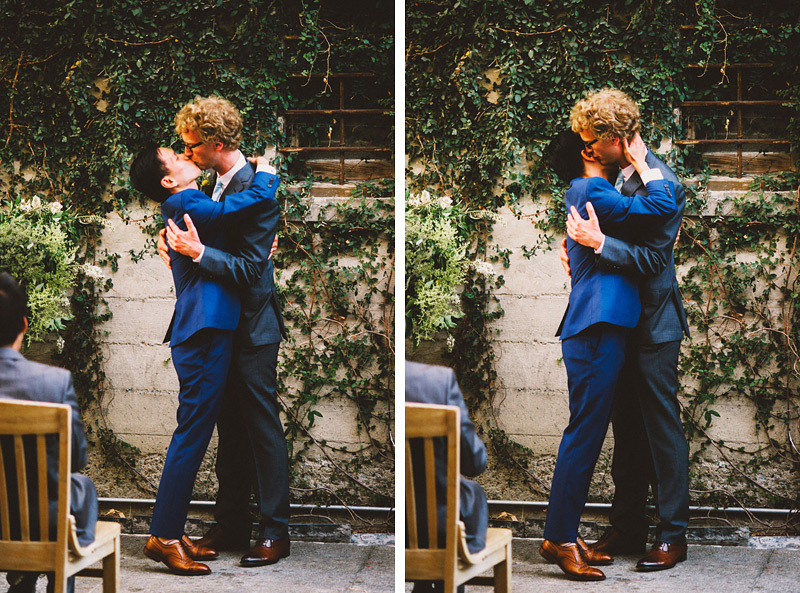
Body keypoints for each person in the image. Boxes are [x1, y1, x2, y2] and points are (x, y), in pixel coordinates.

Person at [129, 144, 279, 575]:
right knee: (192, 433)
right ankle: (164, 536)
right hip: (205, 331)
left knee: (193, 431)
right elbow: (240, 207)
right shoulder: (186, 201)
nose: (182, 153)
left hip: (209, 330)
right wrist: (266, 174)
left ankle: (169, 530)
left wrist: (256, 251)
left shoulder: (190, 202)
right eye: (173, 154)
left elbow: (226, 225)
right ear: (168, 181)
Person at [157, 96, 290, 568]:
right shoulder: (211, 184)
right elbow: (199, 226)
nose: (186, 151)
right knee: (228, 427)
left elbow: (254, 269)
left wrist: (198, 254)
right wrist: (172, 243)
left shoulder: (258, 188)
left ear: (215, 144)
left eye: (192, 145)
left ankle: (274, 531)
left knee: (260, 426)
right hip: (220, 325)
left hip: (253, 326)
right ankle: (231, 522)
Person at [564, 88, 691, 572]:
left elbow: (655, 259)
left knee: (661, 428)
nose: (588, 148)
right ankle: (628, 524)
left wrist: (599, 244)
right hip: (618, 322)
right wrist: (574, 247)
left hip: (654, 324)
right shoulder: (618, 177)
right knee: (626, 429)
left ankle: (673, 535)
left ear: (618, 138)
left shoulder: (665, 184)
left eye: (594, 140)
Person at [540, 128, 676, 581]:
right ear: (587, 152)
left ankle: (561, 535)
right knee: (585, 433)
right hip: (600, 324)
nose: (604, 141)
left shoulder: (591, 191)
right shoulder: (593, 187)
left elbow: (640, 243)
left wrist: (595, 245)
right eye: (595, 138)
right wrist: (646, 167)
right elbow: (660, 206)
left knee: (590, 430)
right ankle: (559, 538)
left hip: (605, 324)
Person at [0, 272, 97, 593]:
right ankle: (57, 574)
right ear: (24, 325)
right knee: (79, 488)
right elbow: (77, 458)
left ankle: (23, 576)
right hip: (44, 523)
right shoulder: (54, 383)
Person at [405, 361, 489, 593]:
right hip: (444, 525)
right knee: (470, 495)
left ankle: (422, 584)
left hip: (401, 529)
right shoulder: (438, 381)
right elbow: (475, 462)